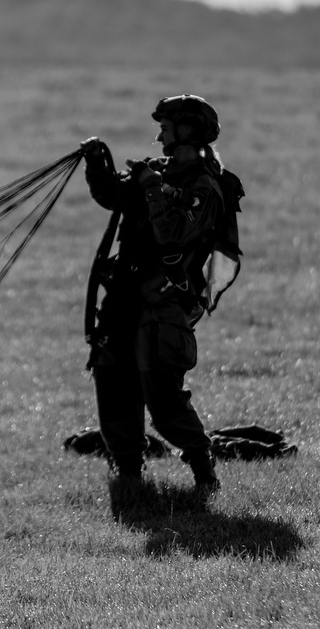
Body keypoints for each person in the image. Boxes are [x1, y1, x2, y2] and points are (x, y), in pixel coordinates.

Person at [79, 94, 244, 492]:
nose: (159, 136)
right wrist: (97, 165)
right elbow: (115, 197)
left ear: (186, 130)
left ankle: (204, 472)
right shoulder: (156, 172)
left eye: (166, 128)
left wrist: (153, 188)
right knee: (113, 381)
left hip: (163, 307)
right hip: (124, 298)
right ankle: (128, 473)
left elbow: (172, 234)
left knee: (163, 400)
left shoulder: (206, 187)